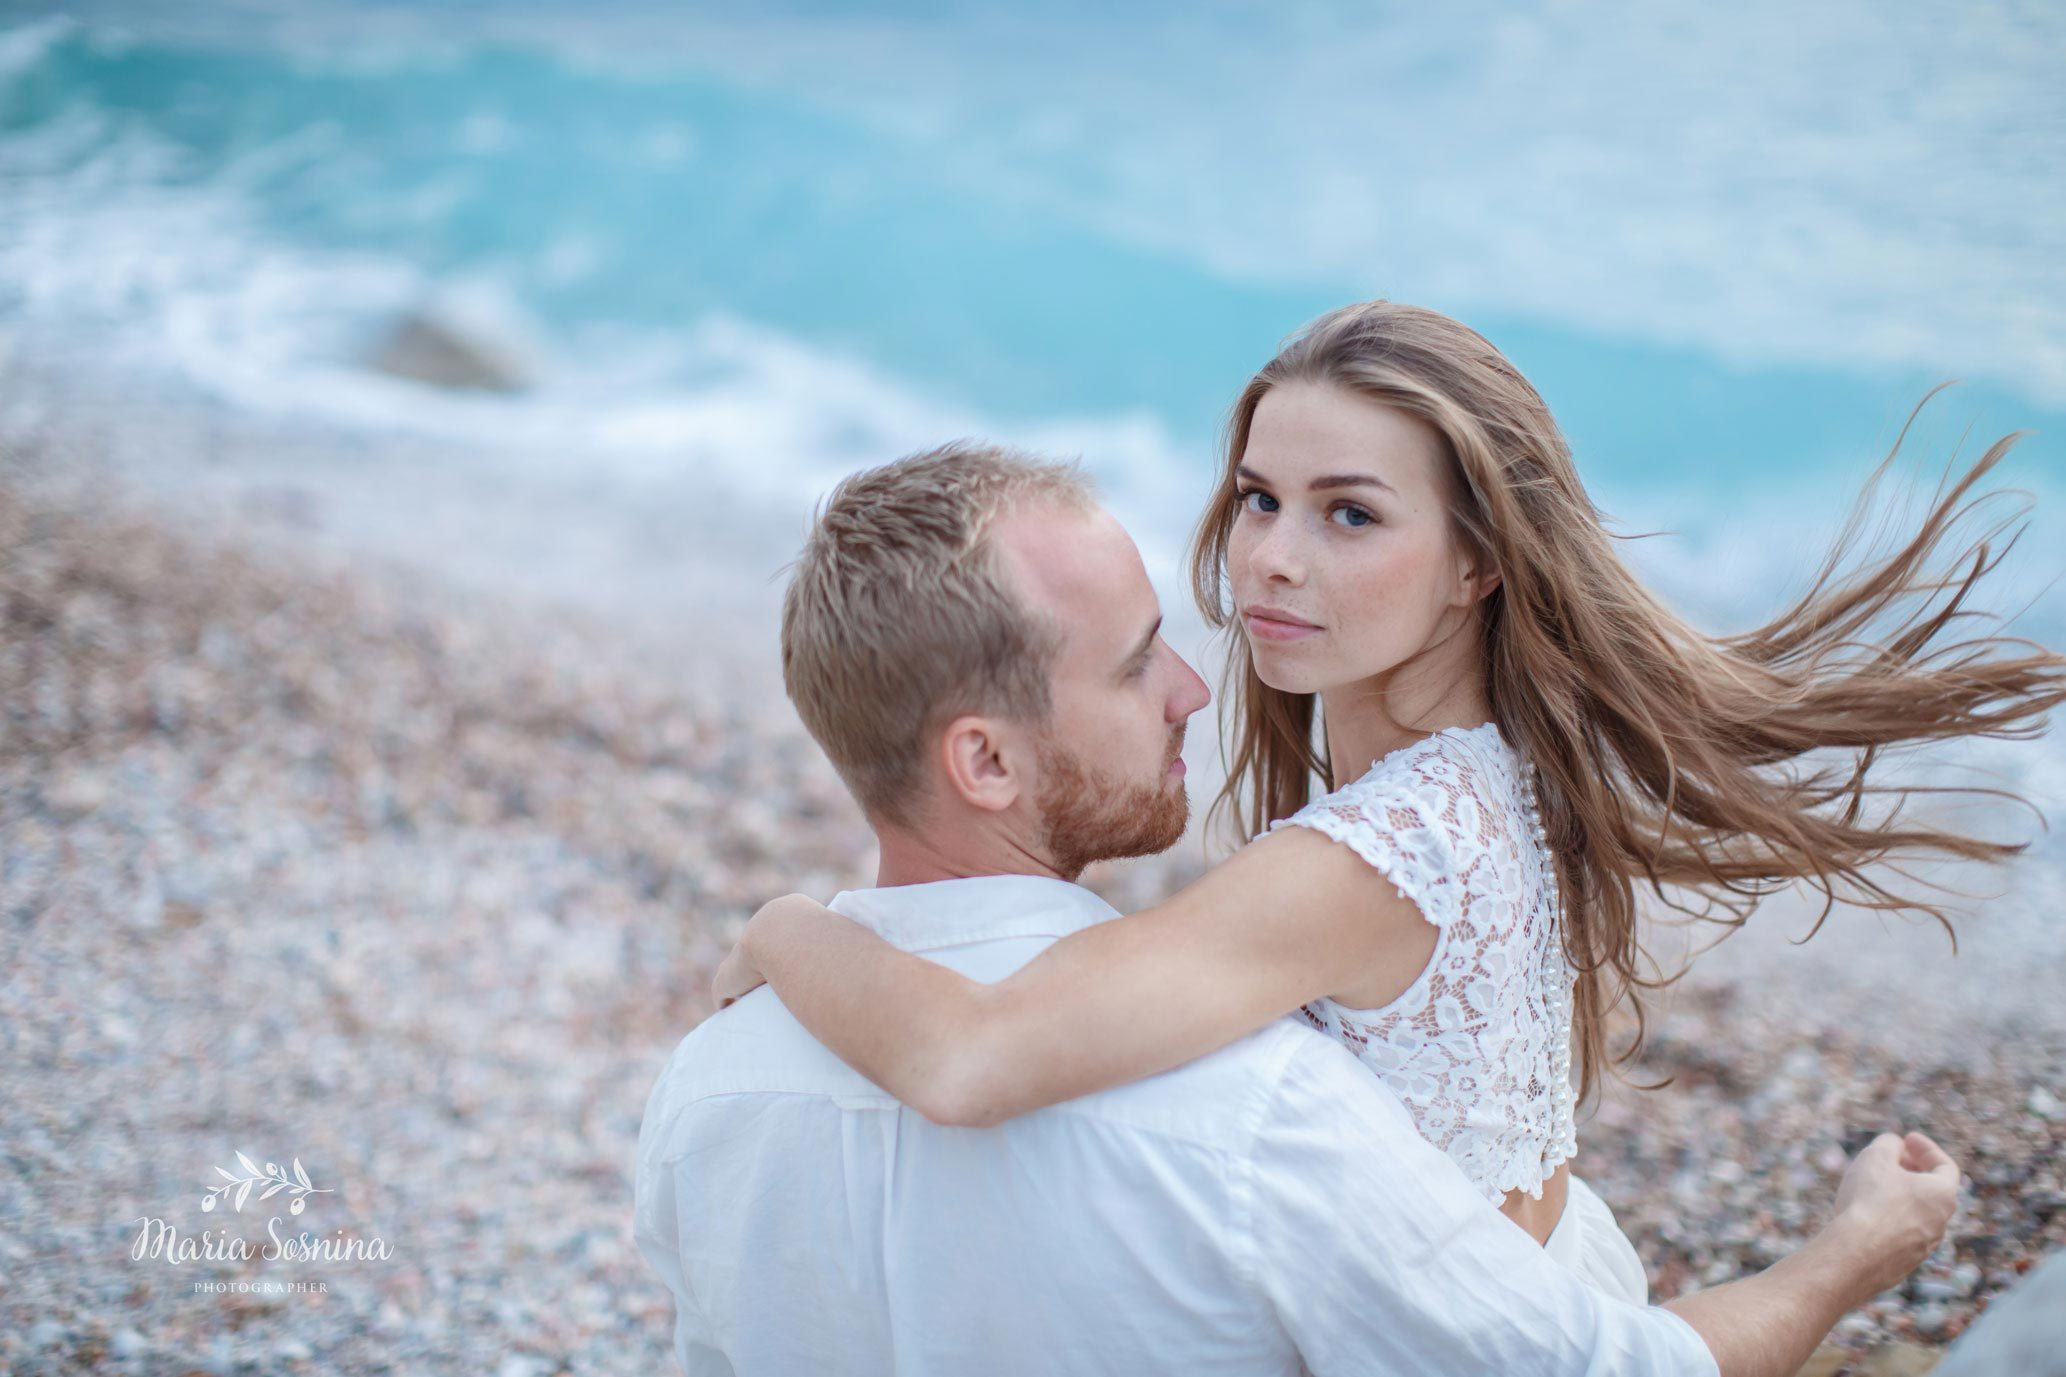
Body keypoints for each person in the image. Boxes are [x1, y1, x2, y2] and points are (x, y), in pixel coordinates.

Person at [714, 301, 2064, 1298]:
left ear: (1475, 561)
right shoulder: (1483, 780)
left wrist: (786, 926)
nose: (1270, 562)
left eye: (1348, 514)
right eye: (1257, 498)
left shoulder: (1382, 850)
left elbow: (971, 1059)